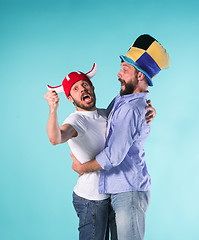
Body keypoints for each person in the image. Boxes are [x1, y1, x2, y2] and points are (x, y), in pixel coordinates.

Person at [71, 34, 170, 240]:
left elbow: (113, 156)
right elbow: (102, 122)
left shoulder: (132, 107)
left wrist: (82, 168)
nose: (118, 74)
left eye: (125, 70)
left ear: (140, 75)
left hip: (129, 193)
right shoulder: (123, 100)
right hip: (117, 191)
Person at [44, 60, 156, 239]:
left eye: (84, 84)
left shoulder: (106, 113)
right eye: (75, 89)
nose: (82, 89)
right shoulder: (76, 121)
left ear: (92, 86)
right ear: (70, 98)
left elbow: (129, 109)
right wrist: (53, 110)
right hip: (90, 199)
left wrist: (146, 111)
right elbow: (55, 138)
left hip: (110, 195)